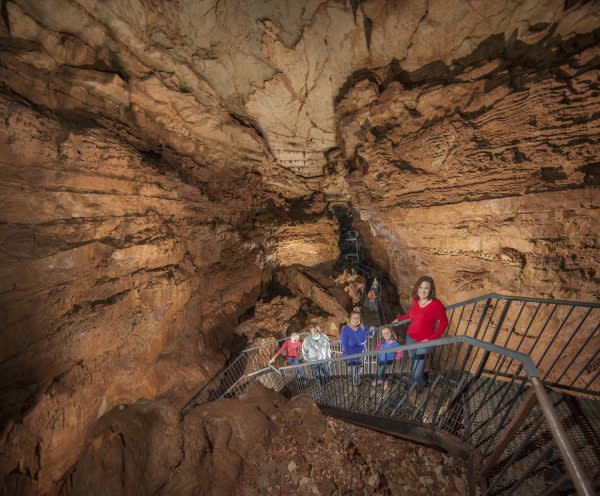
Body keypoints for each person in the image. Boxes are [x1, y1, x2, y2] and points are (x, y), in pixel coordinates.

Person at [394, 276, 448, 392]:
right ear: (417, 288)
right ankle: (418, 381)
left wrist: (431, 339)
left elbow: (444, 322)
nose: (423, 291)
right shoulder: (416, 300)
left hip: (424, 342)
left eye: (426, 288)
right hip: (410, 338)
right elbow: (411, 314)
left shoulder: (436, 304)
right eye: (420, 287)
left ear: (431, 290)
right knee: (413, 362)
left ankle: (419, 383)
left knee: (417, 370)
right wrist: (399, 319)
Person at [340, 309, 375, 394]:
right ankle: (356, 385)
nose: (356, 320)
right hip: (350, 357)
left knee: (359, 371)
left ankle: (357, 384)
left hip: (362, 355)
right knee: (353, 372)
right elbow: (344, 345)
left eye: (358, 318)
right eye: (354, 318)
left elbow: (370, 335)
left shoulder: (362, 328)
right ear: (350, 319)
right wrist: (350, 358)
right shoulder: (345, 330)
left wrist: (372, 328)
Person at [374, 327, 402, 391]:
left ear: (391, 333)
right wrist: (377, 349)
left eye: (388, 333)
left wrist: (398, 355)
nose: (386, 334)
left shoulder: (394, 342)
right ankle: (380, 380)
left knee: (380, 373)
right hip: (380, 359)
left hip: (388, 360)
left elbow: (400, 349)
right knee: (379, 371)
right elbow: (378, 346)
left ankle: (385, 381)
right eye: (384, 333)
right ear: (382, 335)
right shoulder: (383, 341)